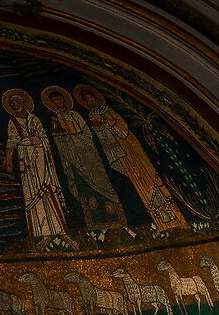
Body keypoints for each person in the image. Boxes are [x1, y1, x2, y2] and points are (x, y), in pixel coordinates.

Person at [75, 85, 188, 232]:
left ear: (96, 98)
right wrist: (101, 128)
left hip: (130, 149)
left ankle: (177, 219)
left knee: (151, 179)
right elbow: (101, 139)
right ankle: (162, 223)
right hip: (118, 154)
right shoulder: (92, 116)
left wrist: (111, 125)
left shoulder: (109, 110)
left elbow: (123, 130)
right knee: (141, 186)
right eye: (87, 100)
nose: (90, 102)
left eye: (91, 98)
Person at [41, 84, 127, 237]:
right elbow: (56, 138)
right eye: (55, 102)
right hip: (72, 159)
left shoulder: (75, 114)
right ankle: (94, 228)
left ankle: (118, 223)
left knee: (102, 182)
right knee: (84, 192)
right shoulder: (55, 118)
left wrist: (72, 135)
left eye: (60, 100)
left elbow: (86, 133)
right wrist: (64, 138)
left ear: (64, 100)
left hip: (88, 156)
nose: (59, 103)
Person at [2, 88, 72, 245]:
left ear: (24, 102)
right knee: (31, 193)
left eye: (18, 101)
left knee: (47, 189)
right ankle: (41, 233)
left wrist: (38, 141)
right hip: (24, 159)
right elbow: (11, 141)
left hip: (40, 158)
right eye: (12, 103)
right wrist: (8, 160)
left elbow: (44, 138)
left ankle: (59, 229)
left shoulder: (34, 119)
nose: (15, 104)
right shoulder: (12, 122)